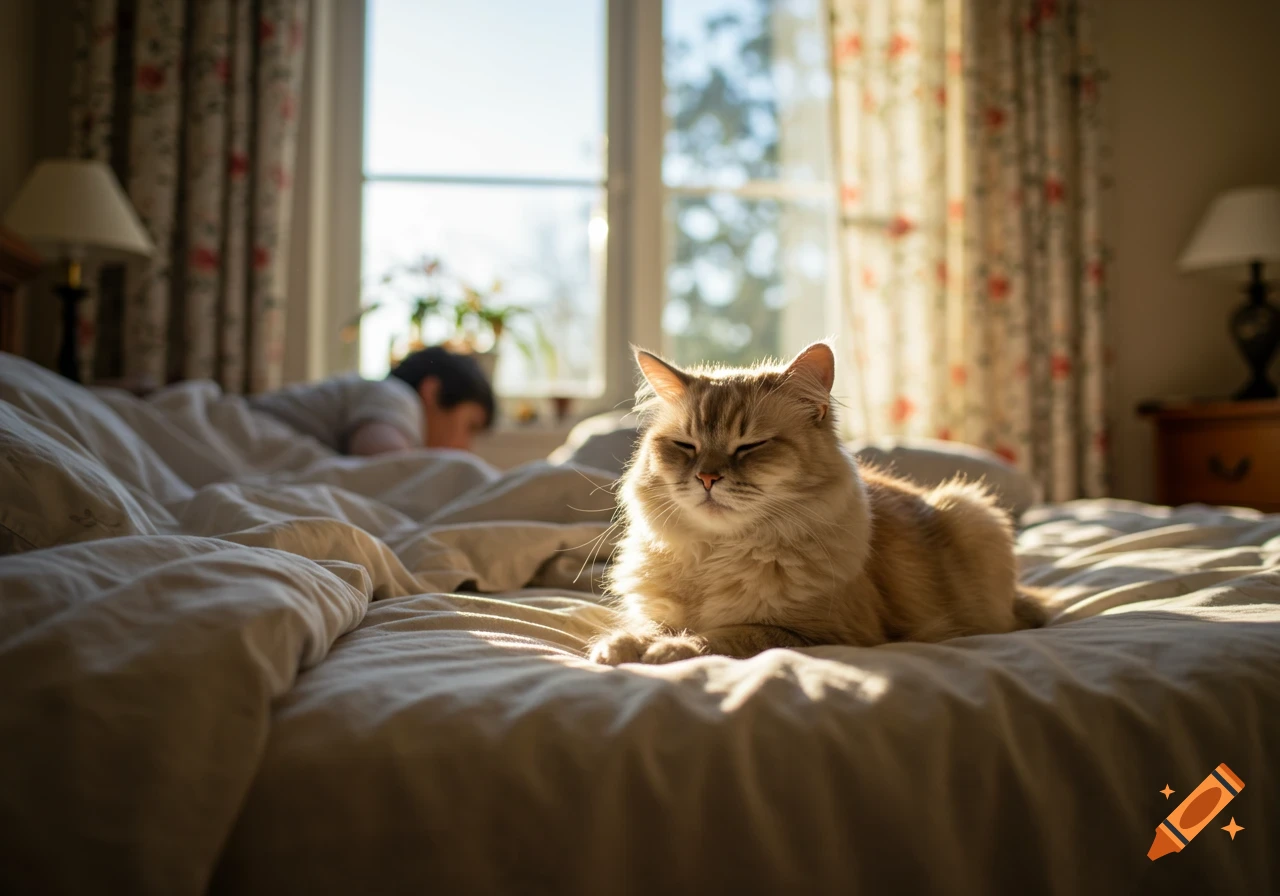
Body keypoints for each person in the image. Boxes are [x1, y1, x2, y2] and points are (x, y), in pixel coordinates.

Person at [249, 345, 495, 456]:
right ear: (432, 391)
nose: (466, 448)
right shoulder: (398, 395)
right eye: (469, 427)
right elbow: (385, 465)